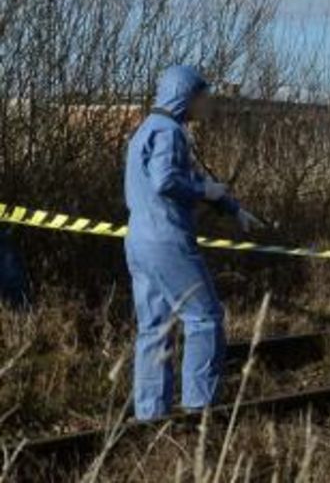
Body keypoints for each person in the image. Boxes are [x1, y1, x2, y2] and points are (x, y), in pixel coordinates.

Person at [124, 65, 261, 420]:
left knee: (155, 327)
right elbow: (166, 181)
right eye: (205, 96)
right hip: (168, 240)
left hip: (139, 240)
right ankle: (200, 409)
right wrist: (205, 190)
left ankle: (150, 414)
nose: (209, 103)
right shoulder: (171, 133)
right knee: (205, 317)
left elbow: (182, 177)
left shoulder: (146, 130)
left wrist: (232, 208)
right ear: (188, 96)